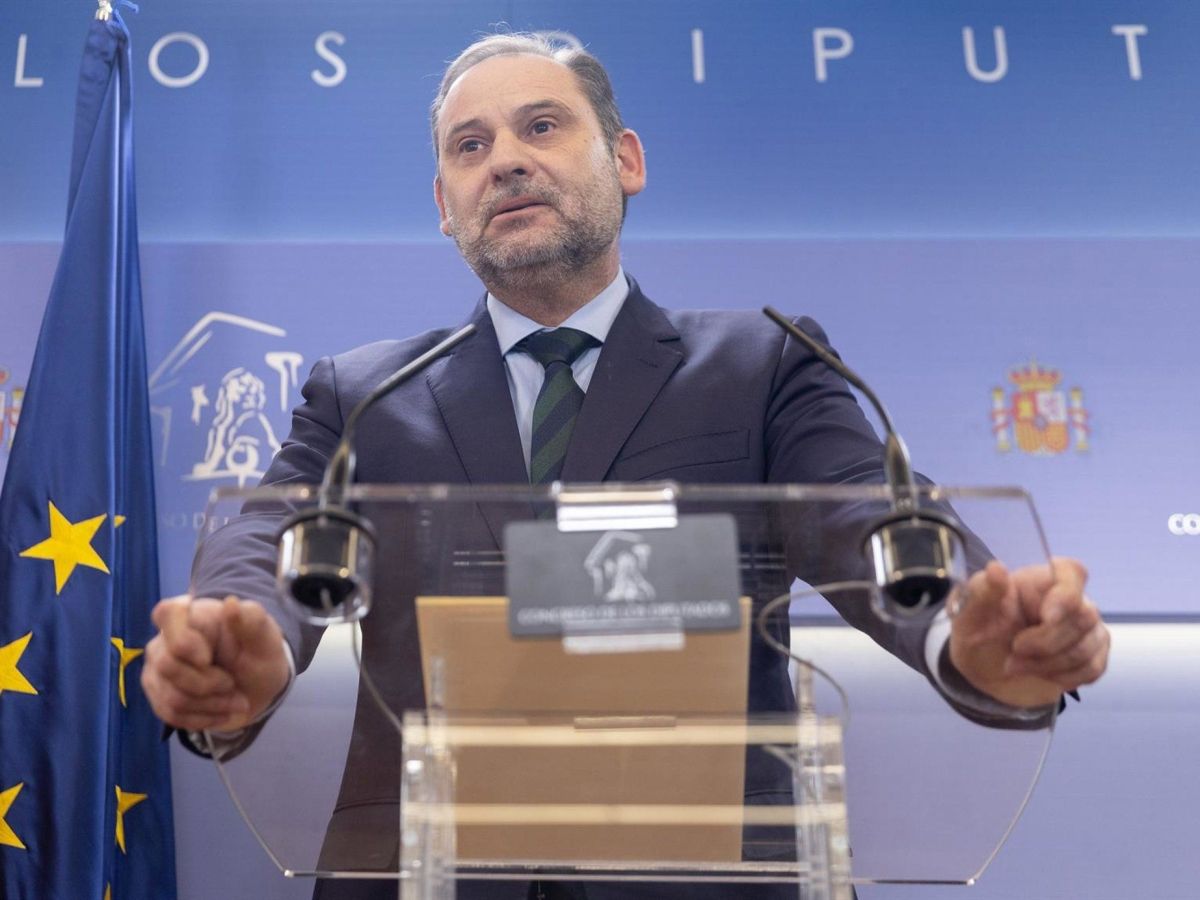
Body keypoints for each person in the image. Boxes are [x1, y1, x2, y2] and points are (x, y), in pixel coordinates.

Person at [142, 32, 1110, 900]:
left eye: (541, 126)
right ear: (444, 205)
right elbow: (267, 532)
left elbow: (869, 513)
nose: (505, 160)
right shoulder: (362, 395)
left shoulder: (763, 365)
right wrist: (242, 636)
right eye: (470, 146)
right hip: (427, 875)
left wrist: (963, 625)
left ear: (626, 160)